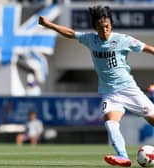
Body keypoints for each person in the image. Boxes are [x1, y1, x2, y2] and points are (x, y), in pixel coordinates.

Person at [38, 5, 154, 167]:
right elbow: (71, 33)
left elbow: (147, 48)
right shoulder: (91, 39)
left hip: (129, 90)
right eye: (100, 28)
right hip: (110, 93)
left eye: (107, 26)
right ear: (95, 28)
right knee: (110, 122)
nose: (104, 30)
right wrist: (49, 25)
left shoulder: (122, 40)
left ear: (111, 25)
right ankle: (123, 156)